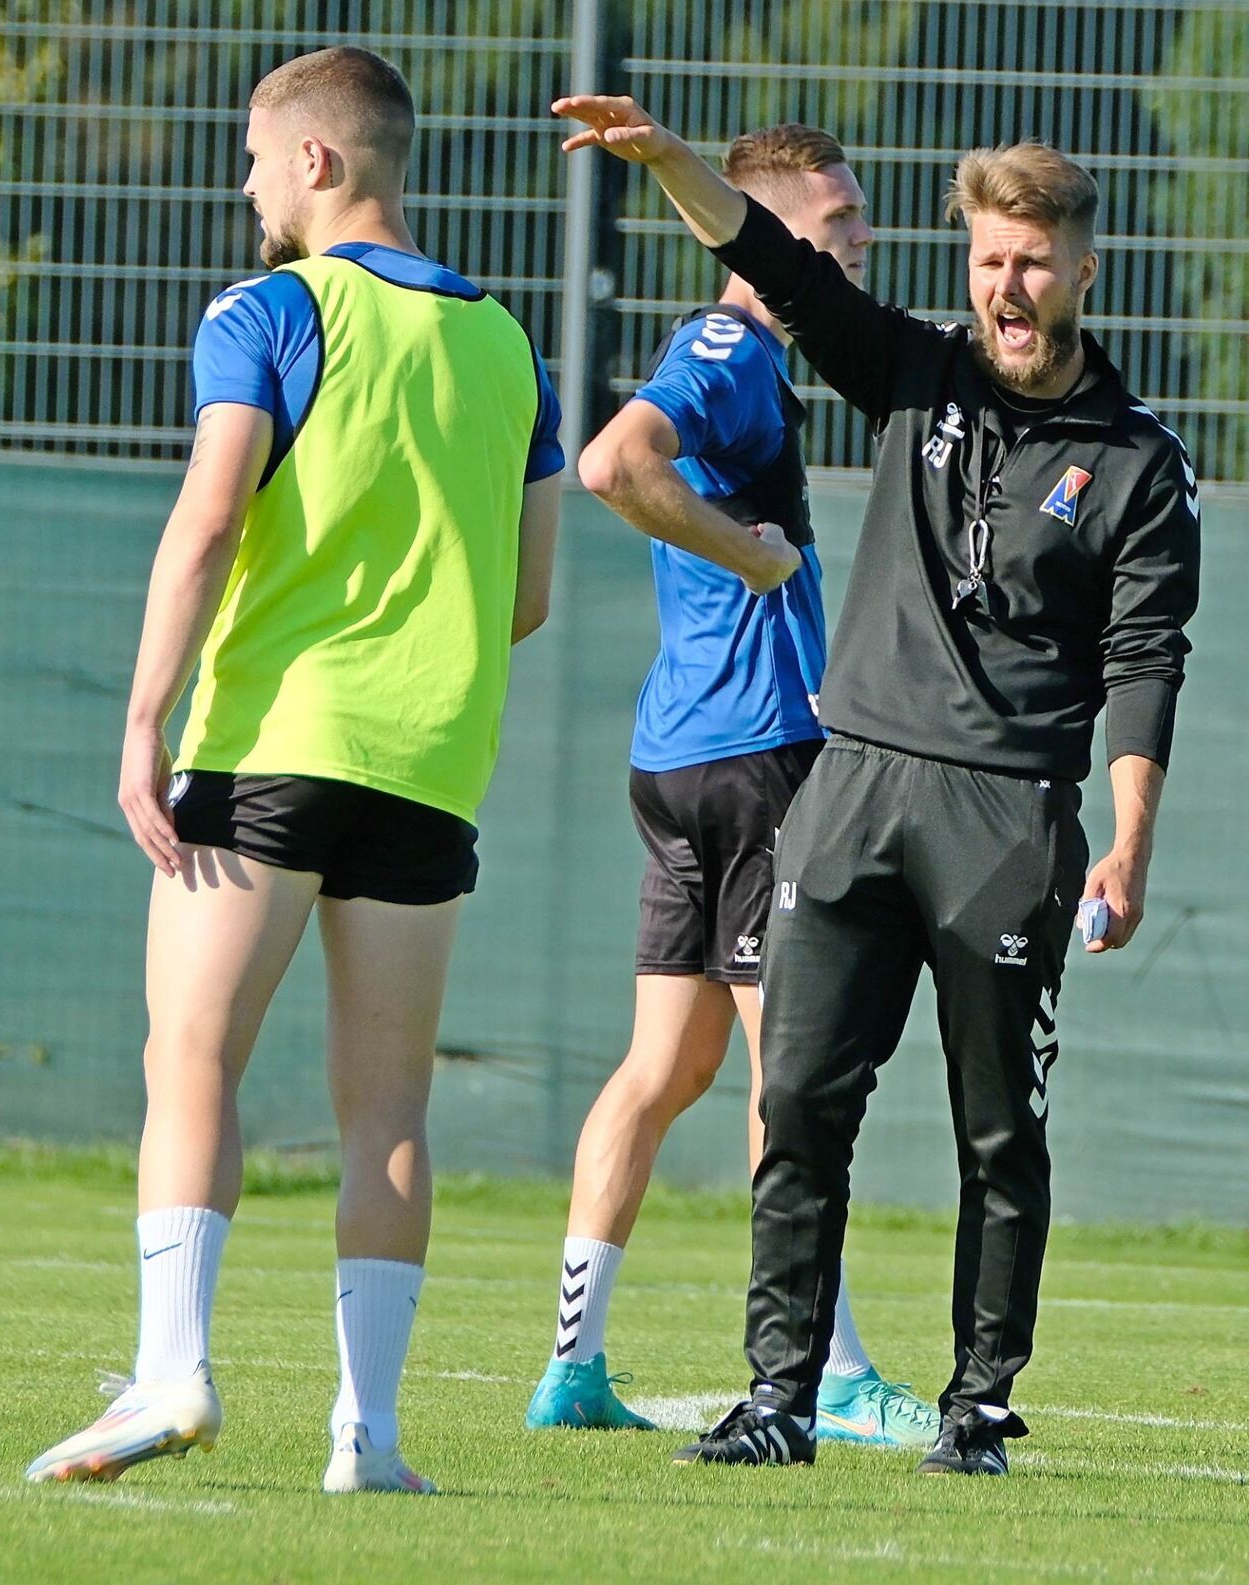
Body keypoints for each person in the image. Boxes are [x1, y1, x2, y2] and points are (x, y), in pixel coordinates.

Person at [551, 95, 1199, 1476]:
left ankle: (979, 1404)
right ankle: (780, 1393)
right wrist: (665, 156)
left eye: (1032, 261)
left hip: (1007, 814)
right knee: (799, 1103)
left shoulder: (1140, 461)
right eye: (987, 259)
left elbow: (1148, 661)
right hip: (850, 791)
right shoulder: (910, 368)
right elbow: (778, 264)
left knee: (996, 1129)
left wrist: (1128, 839)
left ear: (1083, 271)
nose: (1006, 287)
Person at [26, 46, 563, 1496]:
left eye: (258, 157)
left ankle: (172, 1373)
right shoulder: (512, 343)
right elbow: (527, 597)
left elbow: (207, 520)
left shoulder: (267, 308)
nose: (247, 184)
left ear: (319, 162)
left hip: (269, 746)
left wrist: (141, 724)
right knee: (388, 1104)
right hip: (432, 763)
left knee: (191, 1055)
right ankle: (369, 1439)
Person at [525, 124, 937, 1450]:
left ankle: (572, 1368)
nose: (862, 237)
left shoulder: (762, 363)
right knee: (792, 1070)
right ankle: (834, 1366)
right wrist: (748, 556)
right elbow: (609, 465)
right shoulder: (728, 350)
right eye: (842, 217)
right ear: (764, 231)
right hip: (757, 758)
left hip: (684, 756)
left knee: (667, 1063)